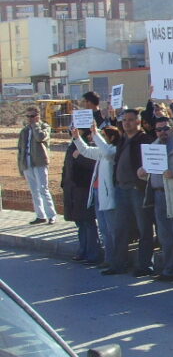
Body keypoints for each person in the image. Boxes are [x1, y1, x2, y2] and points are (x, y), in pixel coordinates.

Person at [138, 116, 173, 284]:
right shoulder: (152, 148)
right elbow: (152, 174)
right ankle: (170, 270)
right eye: (158, 129)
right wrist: (142, 173)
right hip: (159, 195)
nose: (162, 132)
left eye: (165, 128)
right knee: (165, 237)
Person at [104, 108, 155, 277]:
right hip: (121, 189)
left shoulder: (145, 140)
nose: (127, 123)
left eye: (131, 120)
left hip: (137, 189)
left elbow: (152, 162)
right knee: (120, 229)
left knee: (144, 228)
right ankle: (118, 264)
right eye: (124, 120)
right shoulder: (122, 139)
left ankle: (145, 265)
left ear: (138, 122)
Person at [73, 124, 120, 268]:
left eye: (103, 135)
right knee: (104, 230)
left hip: (108, 195)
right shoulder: (102, 151)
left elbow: (106, 151)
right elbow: (86, 151)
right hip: (97, 193)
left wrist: (95, 134)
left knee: (112, 230)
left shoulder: (113, 151)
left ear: (111, 137)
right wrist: (77, 137)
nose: (100, 138)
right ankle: (109, 259)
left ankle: (116, 260)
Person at [62, 129, 99, 263]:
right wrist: (64, 184)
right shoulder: (72, 145)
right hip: (72, 189)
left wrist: (80, 156)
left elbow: (93, 165)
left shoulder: (92, 145)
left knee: (88, 221)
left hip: (84, 188)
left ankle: (93, 253)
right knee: (80, 222)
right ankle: (83, 250)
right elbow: (66, 167)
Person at [17, 107, 56, 225]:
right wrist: (21, 166)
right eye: (28, 116)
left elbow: (40, 137)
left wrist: (35, 125)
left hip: (40, 162)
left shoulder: (44, 127)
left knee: (43, 189)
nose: (30, 119)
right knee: (34, 191)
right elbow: (20, 149)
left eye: (32, 116)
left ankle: (52, 215)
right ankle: (40, 215)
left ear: (38, 116)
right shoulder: (24, 131)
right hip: (28, 163)